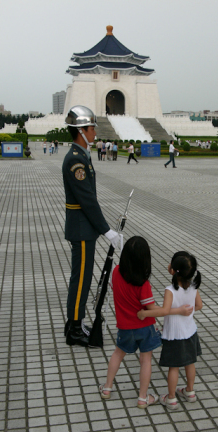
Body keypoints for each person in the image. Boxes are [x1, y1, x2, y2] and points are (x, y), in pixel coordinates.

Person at [99, 237, 192, 408]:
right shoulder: (143, 284)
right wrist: (177, 310)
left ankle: (107, 388)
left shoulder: (116, 272)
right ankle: (143, 397)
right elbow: (151, 308)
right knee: (146, 360)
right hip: (145, 327)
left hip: (125, 327)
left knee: (118, 354)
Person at [62, 105, 120, 347]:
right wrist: (106, 230)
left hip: (84, 228)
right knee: (82, 280)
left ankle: (74, 322)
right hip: (82, 228)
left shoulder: (81, 155)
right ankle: (75, 329)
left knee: (82, 278)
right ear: (81, 130)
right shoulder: (76, 160)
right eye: (92, 128)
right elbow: (87, 200)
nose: (95, 132)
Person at [138, 251, 203, 410]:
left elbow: (165, 311)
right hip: (190, 331)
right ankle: (190, 392)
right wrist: (188, 311)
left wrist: (144, 313)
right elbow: (199, 306)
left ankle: (171, 398)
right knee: (190, 362)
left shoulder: (170, 290)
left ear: (172, 270)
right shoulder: (193, 286)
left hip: (174, 335)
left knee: (174, 367)